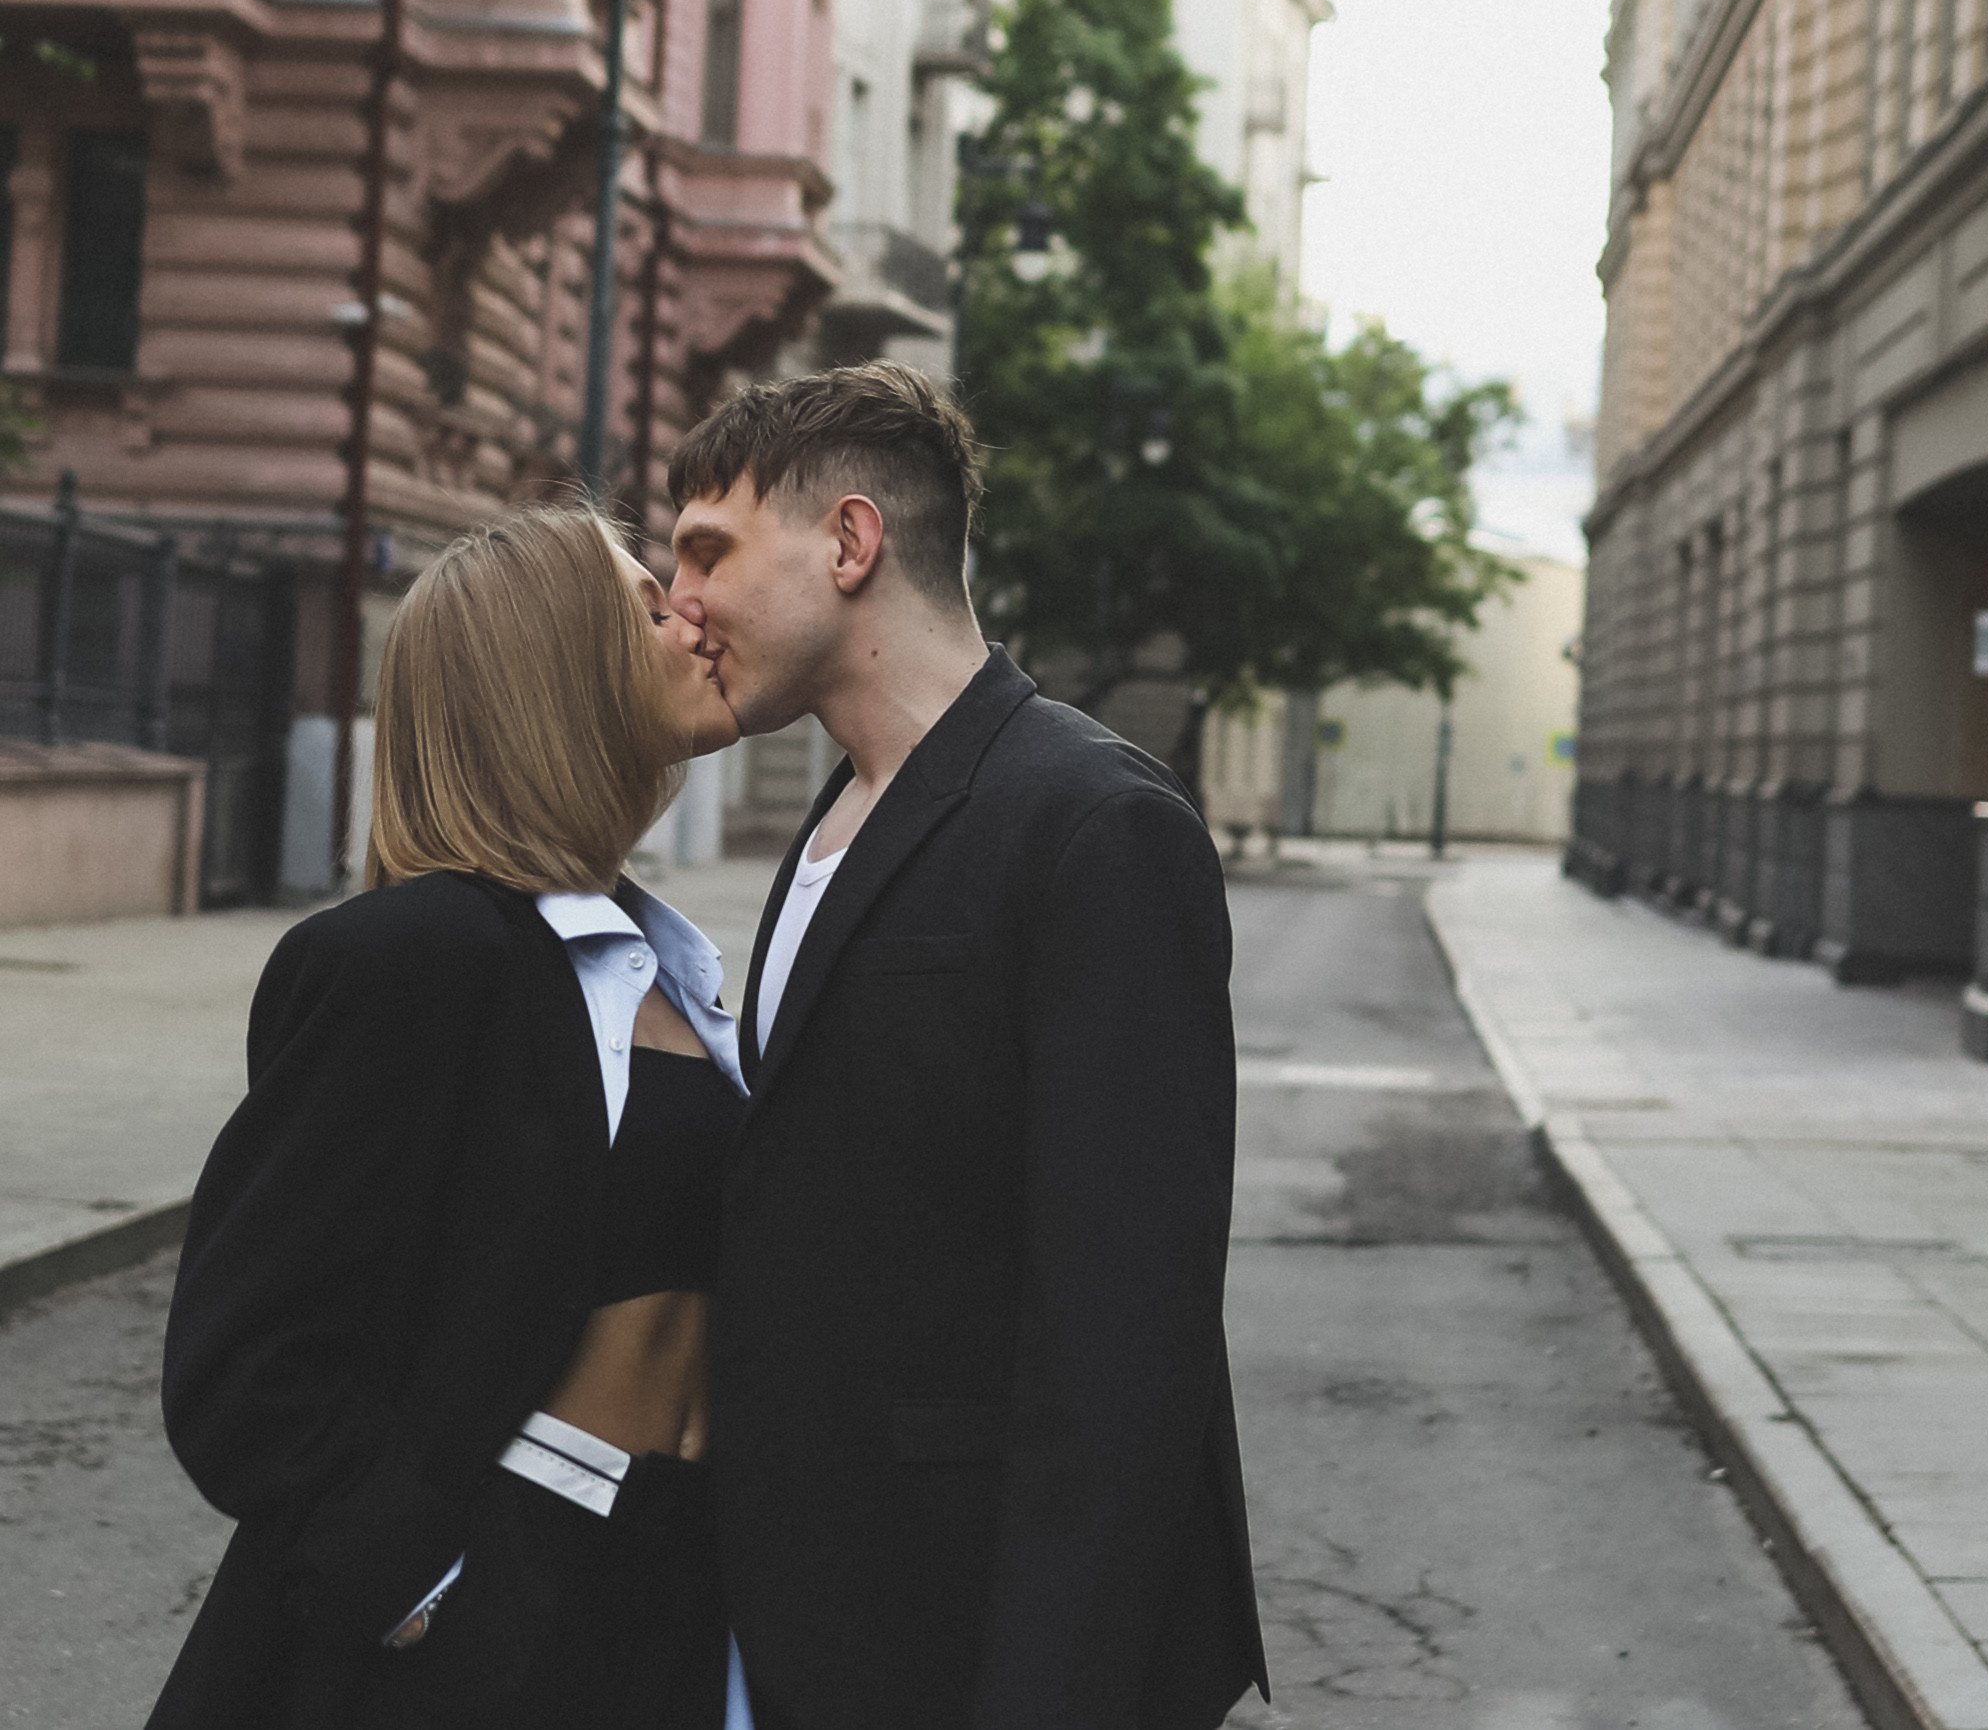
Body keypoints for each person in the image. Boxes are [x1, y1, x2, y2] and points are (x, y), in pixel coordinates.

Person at [665, 359, 1269, 1730]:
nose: (680, 600)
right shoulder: (832, 819)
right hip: (816, 1614)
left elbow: (1122, 1334)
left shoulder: (1093, 819)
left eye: (707, 550)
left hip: (976, 1636)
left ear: (848, 540)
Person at [149, 499, 750, 1730]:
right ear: (553, 671)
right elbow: (242, 1358)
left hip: (676, 1585)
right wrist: (425, 1587)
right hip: (496, 1602)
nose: (689, 615)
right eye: (645, 605)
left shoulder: (663, 961)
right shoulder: (411, 958)